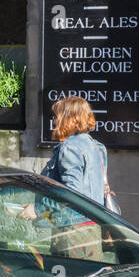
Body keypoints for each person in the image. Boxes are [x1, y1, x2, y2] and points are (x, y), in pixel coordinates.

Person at [17, 96, 111, 259]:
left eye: (55, 116)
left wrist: (38, 209)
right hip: (91, 226)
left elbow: (71, 192)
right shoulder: (96, 146)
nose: (53, 121)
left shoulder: (70, 147)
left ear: (69, 118)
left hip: (72, 232)